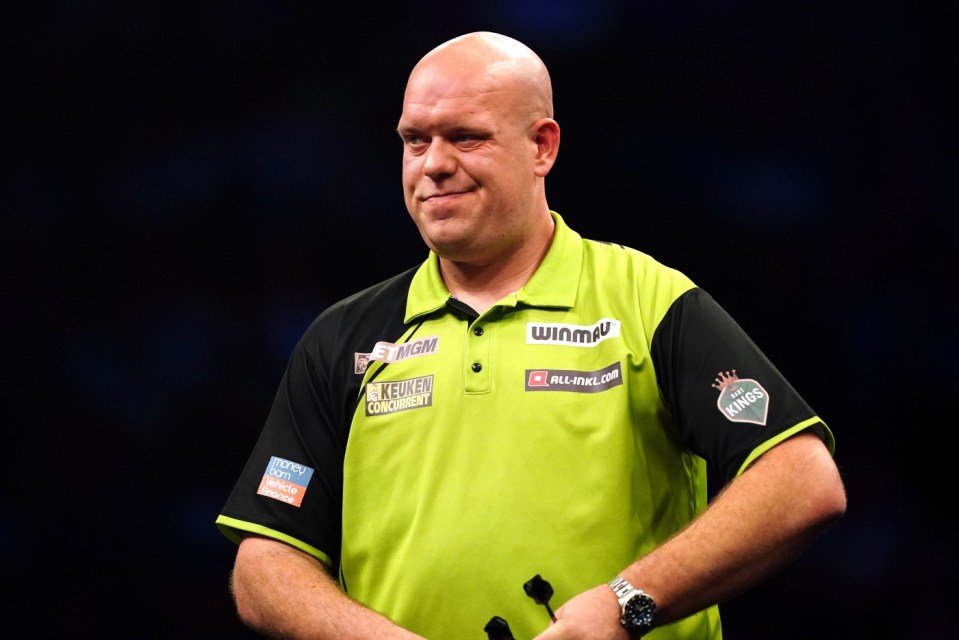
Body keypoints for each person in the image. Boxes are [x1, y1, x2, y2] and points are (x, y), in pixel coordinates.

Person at [215, 31, 847, 640]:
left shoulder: (644, 299)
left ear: (542, 146)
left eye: (465, 137)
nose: (434, 164)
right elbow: (264, 564)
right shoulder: (343, 337)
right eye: (415, 140)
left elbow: (801, 480)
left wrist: (627, 602)